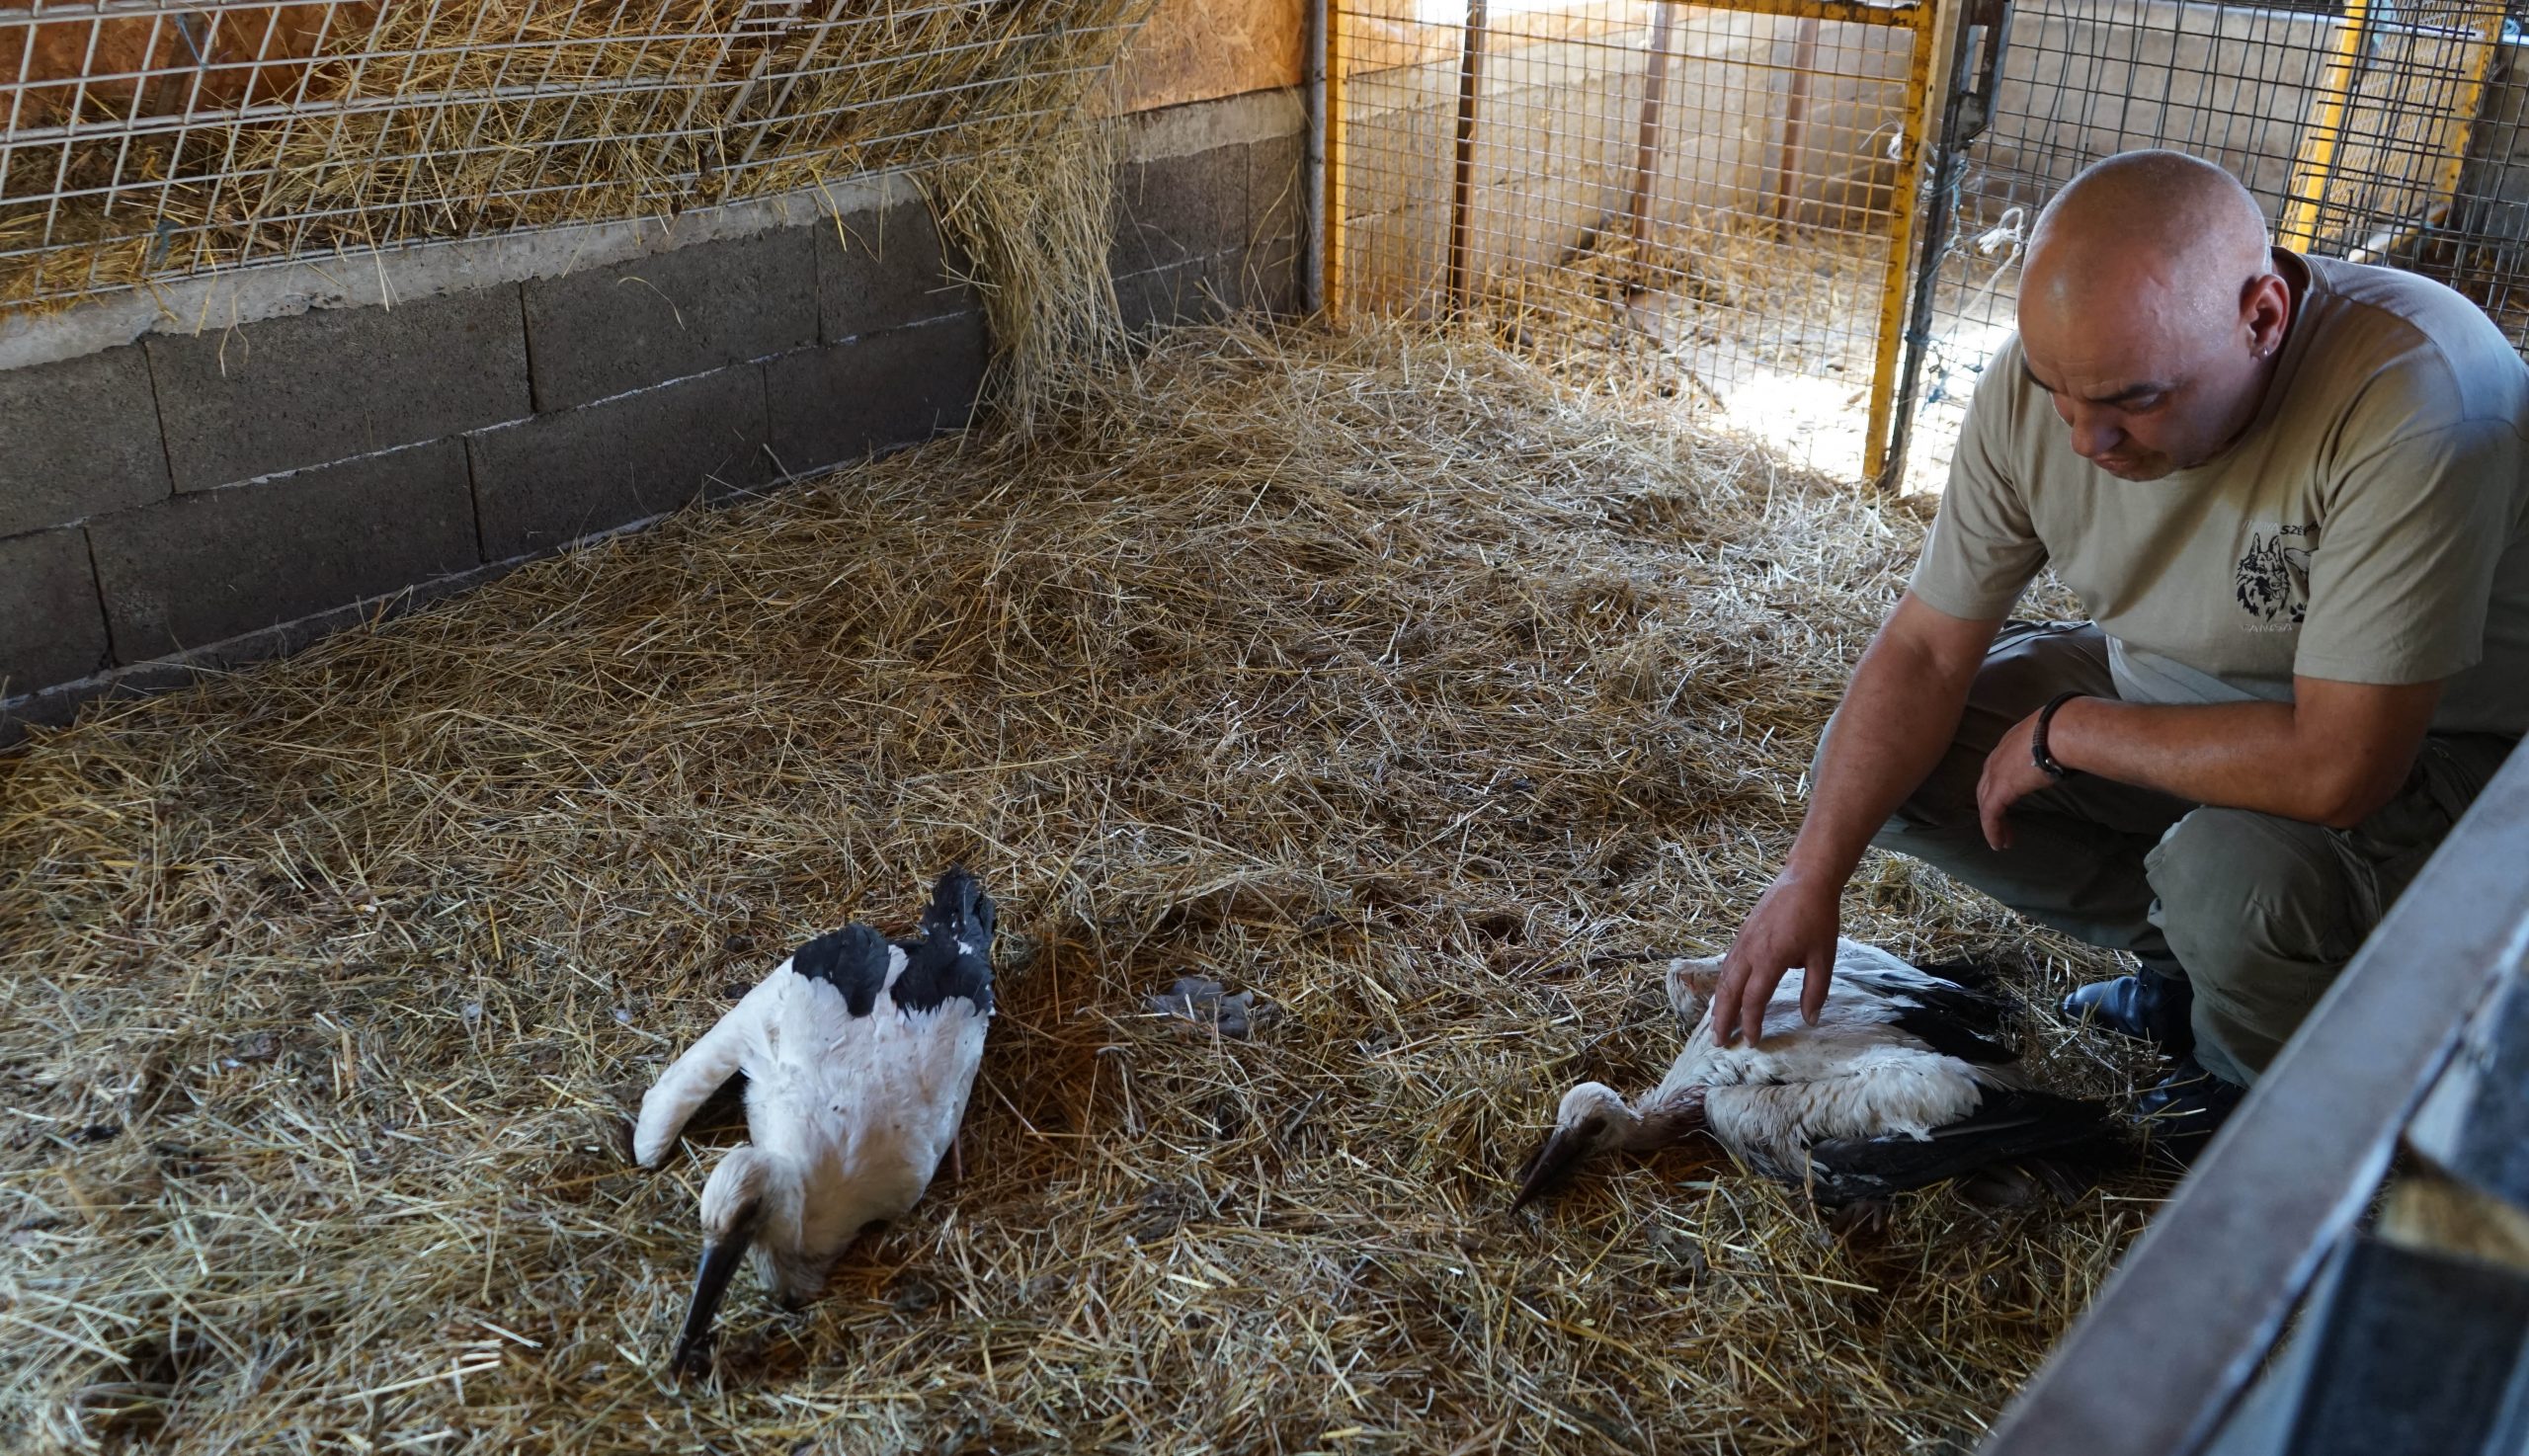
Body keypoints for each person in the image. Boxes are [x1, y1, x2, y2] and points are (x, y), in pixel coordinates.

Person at [1714, 148, 2528, 1153]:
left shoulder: (2415, 393)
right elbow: (1924, 652)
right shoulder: (2057, 384)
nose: (2083, 443)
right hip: (2189, 694)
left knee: (2230, 874)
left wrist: (2076, 731)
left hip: (2447, 767)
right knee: (1884, 765)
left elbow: (2340, 767)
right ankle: (2194, 975)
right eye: (2058, 390)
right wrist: (1810, 873)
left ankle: (2257, 1097)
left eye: (2131, 402)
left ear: (2262, 319)